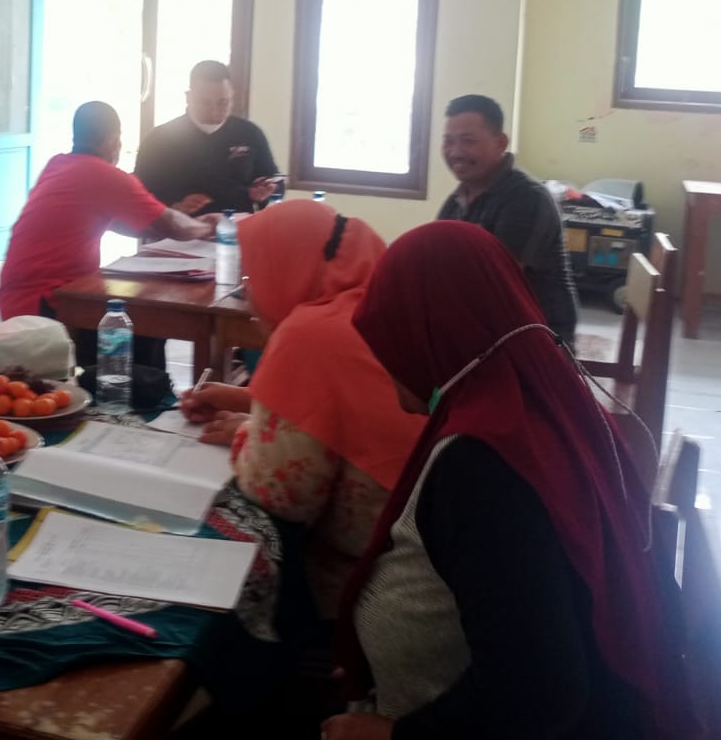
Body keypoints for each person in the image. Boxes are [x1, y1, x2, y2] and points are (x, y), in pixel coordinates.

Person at [322, 222, 690, 740]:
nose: (385, 360)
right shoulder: (547, 401)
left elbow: (538, 693)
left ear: (429, 329)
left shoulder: (481, 468)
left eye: (390, 336)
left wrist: (389, 735)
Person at [178, 201, 422, 611]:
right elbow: (352, 408)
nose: (248, 292)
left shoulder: (311, 333)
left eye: (253, 274)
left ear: (288, 266)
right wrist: (251, 401)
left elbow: (281, 495)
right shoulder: (381, 303)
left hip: (376, 585)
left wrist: (247, 432)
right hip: (445, 559)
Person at [0, 101, 214, 370]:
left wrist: (171, 217)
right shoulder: (103, 174)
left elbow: (132, 224)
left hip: (21, 294)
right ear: (113, 140)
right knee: (149, 323)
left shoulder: (59, 165)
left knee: (146, 321)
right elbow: (173, 226)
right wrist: (208, 226)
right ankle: (136, 391)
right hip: (44, 307)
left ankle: (142, 388)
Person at [437, 94, 578, 346]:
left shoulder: (526, 198)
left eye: (468, 141)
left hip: (534, 339)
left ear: (500, 143)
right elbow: (434, 262)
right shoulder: (457, 199)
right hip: (485, 327)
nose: (455, 152)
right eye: (448, 141)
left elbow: (492, 287)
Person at [134, 60, 280, 216]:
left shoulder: (250, 133)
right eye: (204, 103)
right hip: (180, 225)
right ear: (188, 97)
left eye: (222, 102)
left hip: (237, 225)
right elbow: (139, 193)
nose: (214, 110)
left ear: (232, 97)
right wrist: (173, 206)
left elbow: (275, 181)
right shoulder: (159, 139)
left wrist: (264, 194)